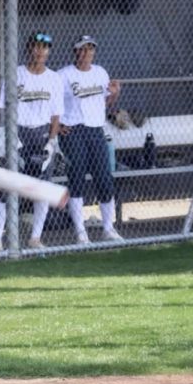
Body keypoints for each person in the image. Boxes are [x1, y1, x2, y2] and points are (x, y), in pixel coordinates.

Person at [0, 31, 64, 253]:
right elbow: (5, 110)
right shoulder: (15, 75)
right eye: (36, 46)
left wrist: (51, 142)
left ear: (48, 51)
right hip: (18, 134)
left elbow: (56, 116)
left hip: (42, 134)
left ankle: (35, 238)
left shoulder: (54, 79)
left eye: (44, 47)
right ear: (29, 49)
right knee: (6, 185)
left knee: (42, 188)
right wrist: (14, 140)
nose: (40, 51)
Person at [56, 34, 123, 243]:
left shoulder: (100, 72)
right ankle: (80, 230)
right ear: (75, 52)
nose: (86, 53)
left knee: (104, 178)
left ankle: (108, 228)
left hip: (95, 130)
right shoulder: (64, 75)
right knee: (76, 178)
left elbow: (105, 103)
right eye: (82, 49)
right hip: (73, 130)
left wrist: (114, 94)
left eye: (90, 49)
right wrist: (57, 126)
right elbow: (52, 103)